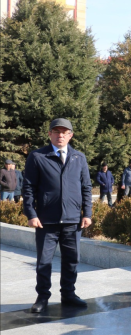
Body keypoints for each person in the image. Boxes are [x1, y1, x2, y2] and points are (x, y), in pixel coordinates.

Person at [22, 118, 92, 313]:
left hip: (72, 221)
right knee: (44, 261)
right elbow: (28, 188)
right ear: (49, 134)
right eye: (56, 131)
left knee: (71, 260)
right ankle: (43, 297)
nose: (60, 135)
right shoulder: (37, 156)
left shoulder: (79, 157)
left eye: (64, 132)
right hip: (46, 221)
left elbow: (86, 187)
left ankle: (68, 294)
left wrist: (87, 213)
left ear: (70, 135)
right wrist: (31, 213)